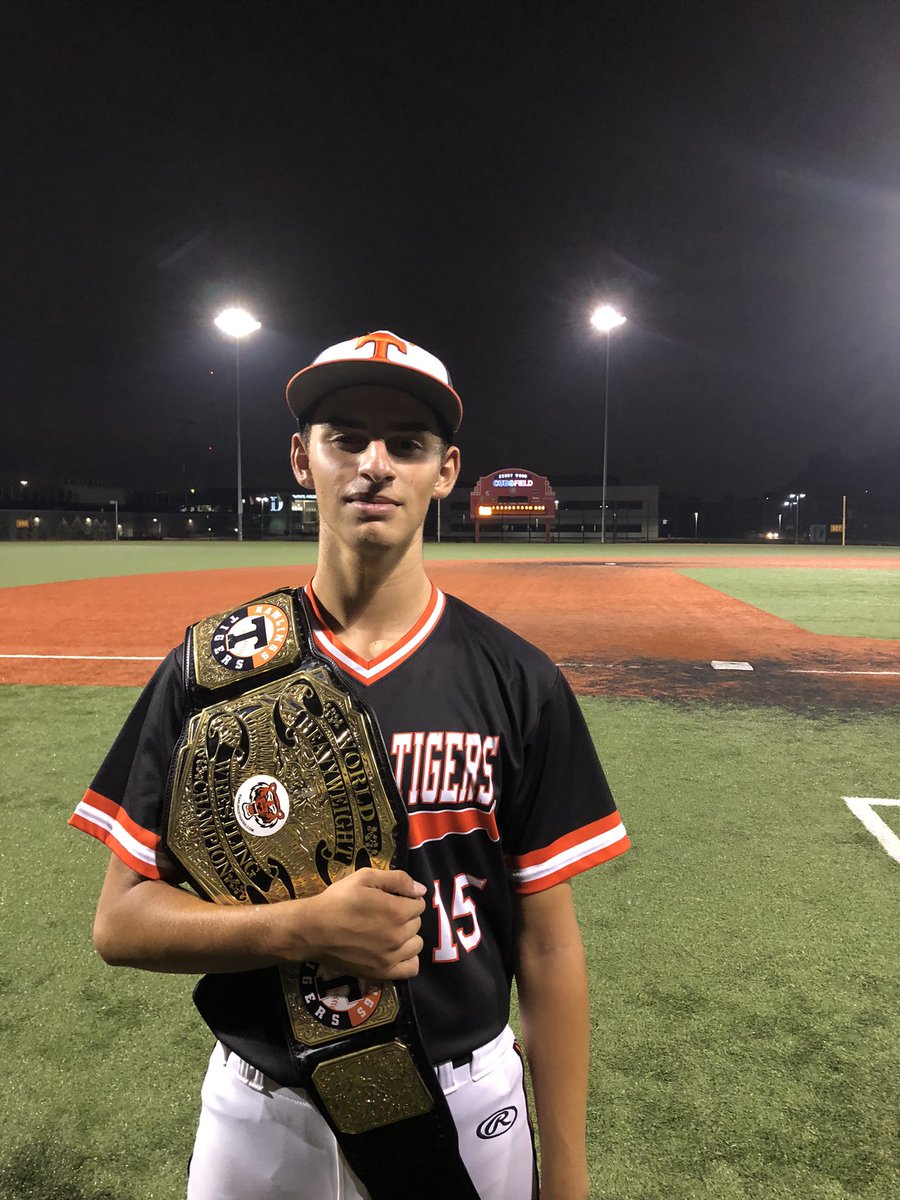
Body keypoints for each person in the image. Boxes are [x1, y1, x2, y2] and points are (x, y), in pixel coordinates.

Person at [70, 330, 631, 1200]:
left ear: (445, 472)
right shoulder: (213, 671)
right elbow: (122, 924)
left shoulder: (519, 679)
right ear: (303, 459)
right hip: (265, 1109)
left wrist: (570, 1176)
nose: (375, 464)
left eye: (406, 444)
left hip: (464, 1103)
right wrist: (299, 928)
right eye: (347, 438)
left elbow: (548, 947)